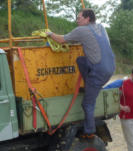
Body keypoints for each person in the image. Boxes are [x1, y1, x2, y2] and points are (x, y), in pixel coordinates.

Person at [47, 8, 115, 136]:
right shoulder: (101, 27)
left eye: (79, 18)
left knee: (87, 104)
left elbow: (61, 40)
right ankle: (89, 85)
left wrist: (49, 33)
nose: (77, 20)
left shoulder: (81, 30)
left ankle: (89, 132)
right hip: (110, 67)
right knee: (81, 60)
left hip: (98, 72)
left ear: (87, 18)